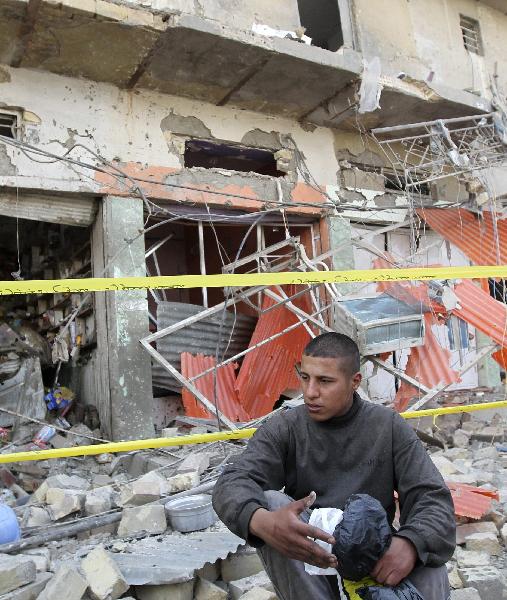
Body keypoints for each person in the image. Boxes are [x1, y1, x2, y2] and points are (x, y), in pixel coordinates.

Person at [212, 332, 455, 600]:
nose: (310, 392)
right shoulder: (285, 427)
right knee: (271, 503)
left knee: (431, 564)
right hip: (312, 562)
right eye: (305, 378)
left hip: (373, 559)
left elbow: (432, 498)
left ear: (355, 382)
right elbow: (232, 481)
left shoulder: (387, 426)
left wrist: (410, 544)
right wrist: (260, 521)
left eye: (325, 381)